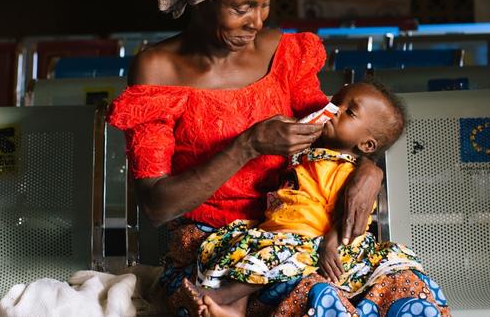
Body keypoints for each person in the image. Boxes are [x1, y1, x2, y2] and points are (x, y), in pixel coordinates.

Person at [107, 0, 450, 317]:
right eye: (242, 7)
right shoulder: (158, 69)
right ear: (202, 0)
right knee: (313, 297)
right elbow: (157, 205)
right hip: (216, 250)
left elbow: (336, 130)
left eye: (265, 4)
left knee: (407, 286)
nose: (257, 21)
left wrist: (369, 170)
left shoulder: (281, 51)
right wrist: (248, 146)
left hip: (305, 230)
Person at [182, 80, 434, 317]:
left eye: (349, 112)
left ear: (367, 145)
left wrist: (331, 245)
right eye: (336, 102)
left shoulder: (344, 169)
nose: (334, 110)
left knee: (266, 259)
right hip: (276, 231)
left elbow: (348, 217)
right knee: (241, 253)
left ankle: (222, 296)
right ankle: (234, 310)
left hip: (309, 238)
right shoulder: (310, 153)